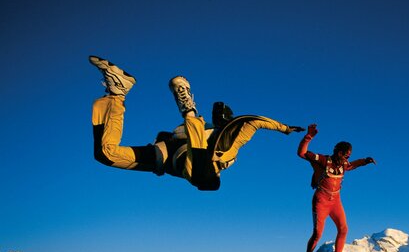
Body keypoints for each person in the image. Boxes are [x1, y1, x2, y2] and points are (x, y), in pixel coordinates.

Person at [89, 55, 304, 190]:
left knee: (205, 175)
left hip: (191, 164)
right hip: (169, 153)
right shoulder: (211, 130)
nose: (218, 117)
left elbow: (253, 122)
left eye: (222, 116)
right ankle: (118, 92)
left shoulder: (228, 138)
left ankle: (188, 109)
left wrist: (284, 128)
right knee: (105, 154)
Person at [298, 124, 376, 252]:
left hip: (335, 202)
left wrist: (365, 161)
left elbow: (353, 165)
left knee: (343, 229)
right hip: (321, 201)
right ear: (337, 152)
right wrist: (308, 137)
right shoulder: (322, 160)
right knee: (318, 233)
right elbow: (302, 153)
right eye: (344, 155)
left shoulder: (344, 164)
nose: (346, 159)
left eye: (348, 156)